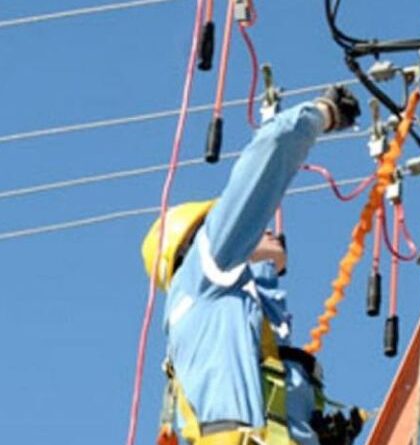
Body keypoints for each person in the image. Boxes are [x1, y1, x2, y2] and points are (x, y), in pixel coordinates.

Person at [141, 86, 362, 445]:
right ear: (196, 241)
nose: (263, 229)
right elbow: (274, 144)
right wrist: (324, 112)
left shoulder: (224, 315)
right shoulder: (206, 265)